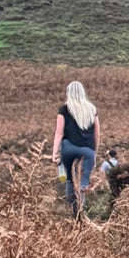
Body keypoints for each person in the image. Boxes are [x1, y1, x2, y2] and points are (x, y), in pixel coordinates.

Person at [52, 81, 100, 216]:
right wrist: (93, 152)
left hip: (68, 149)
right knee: (82, 183)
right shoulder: (91, 109)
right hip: (87, 150)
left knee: (70, 179)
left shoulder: (64, 109)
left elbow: (59, 132)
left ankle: (72, 211)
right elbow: (97, 134)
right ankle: (81, 213)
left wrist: (55, 152)